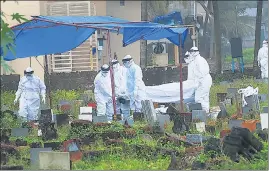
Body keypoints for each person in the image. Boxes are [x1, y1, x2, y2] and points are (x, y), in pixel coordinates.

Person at [184, 47, 212, 113]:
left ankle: (203, 113)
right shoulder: (193, 62)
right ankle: (206, 112)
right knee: (204, 98)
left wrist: (198, 82)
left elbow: (202, 73)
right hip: (202, 81)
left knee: (199, 98)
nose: (186, 58)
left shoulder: (199, 60)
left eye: (187, 56)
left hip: (203, 81)